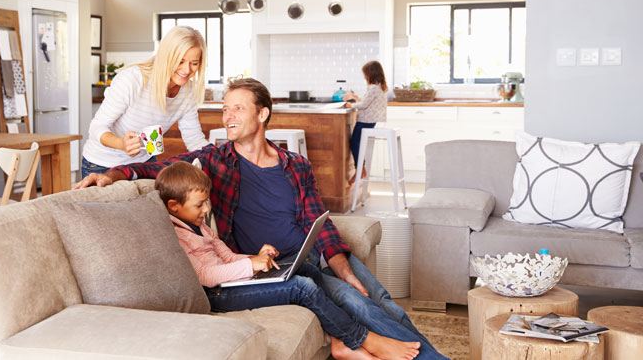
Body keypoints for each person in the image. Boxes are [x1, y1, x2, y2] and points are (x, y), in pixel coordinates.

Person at [75, 78, 447, 360]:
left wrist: (346, 269)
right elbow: (161, 166)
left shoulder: (295, 165)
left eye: (238, 108)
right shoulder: (218, 161)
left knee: (378, 296)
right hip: (278, 265)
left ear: (262, 113)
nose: (227, 115)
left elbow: (320, 222)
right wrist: (114, 175)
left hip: (312, 256)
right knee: (359, 303)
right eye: (225, 108)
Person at [154, 161, 420, 360]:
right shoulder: (177, 234)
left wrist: (257, 258)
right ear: (174, 205)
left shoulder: (199, 226)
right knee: (301, 287)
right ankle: (361, 339)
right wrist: (250, 266)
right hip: (218, 295)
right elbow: (204, 276)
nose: (207, 209)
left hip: (232, 282)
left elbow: (227, 256)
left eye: (207, 202)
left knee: (303, 269)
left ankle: (338, 341)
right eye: (199, 205)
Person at [80, 25, 210, 179]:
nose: (187, 70)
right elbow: (96, 127)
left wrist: (217, 157)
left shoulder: (188, 91)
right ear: (166, 57)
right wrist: (121, 144)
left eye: (194, 63)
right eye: (180, 61)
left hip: (144, 163)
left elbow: (193, 138)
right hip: (103, 164)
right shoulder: (132, 80)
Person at [345, 61, 388, 185]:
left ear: (370, 74)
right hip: (370, 120)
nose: (364, 77)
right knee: (357, 143)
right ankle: (361, 169)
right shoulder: (378, 87)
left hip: (366, 120)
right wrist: (356, 97)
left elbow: (363, 105)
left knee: (354, 143)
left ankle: (359, 170)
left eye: (365, 74)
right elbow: (367, 101)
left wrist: (351, 104)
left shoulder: (373, 88)